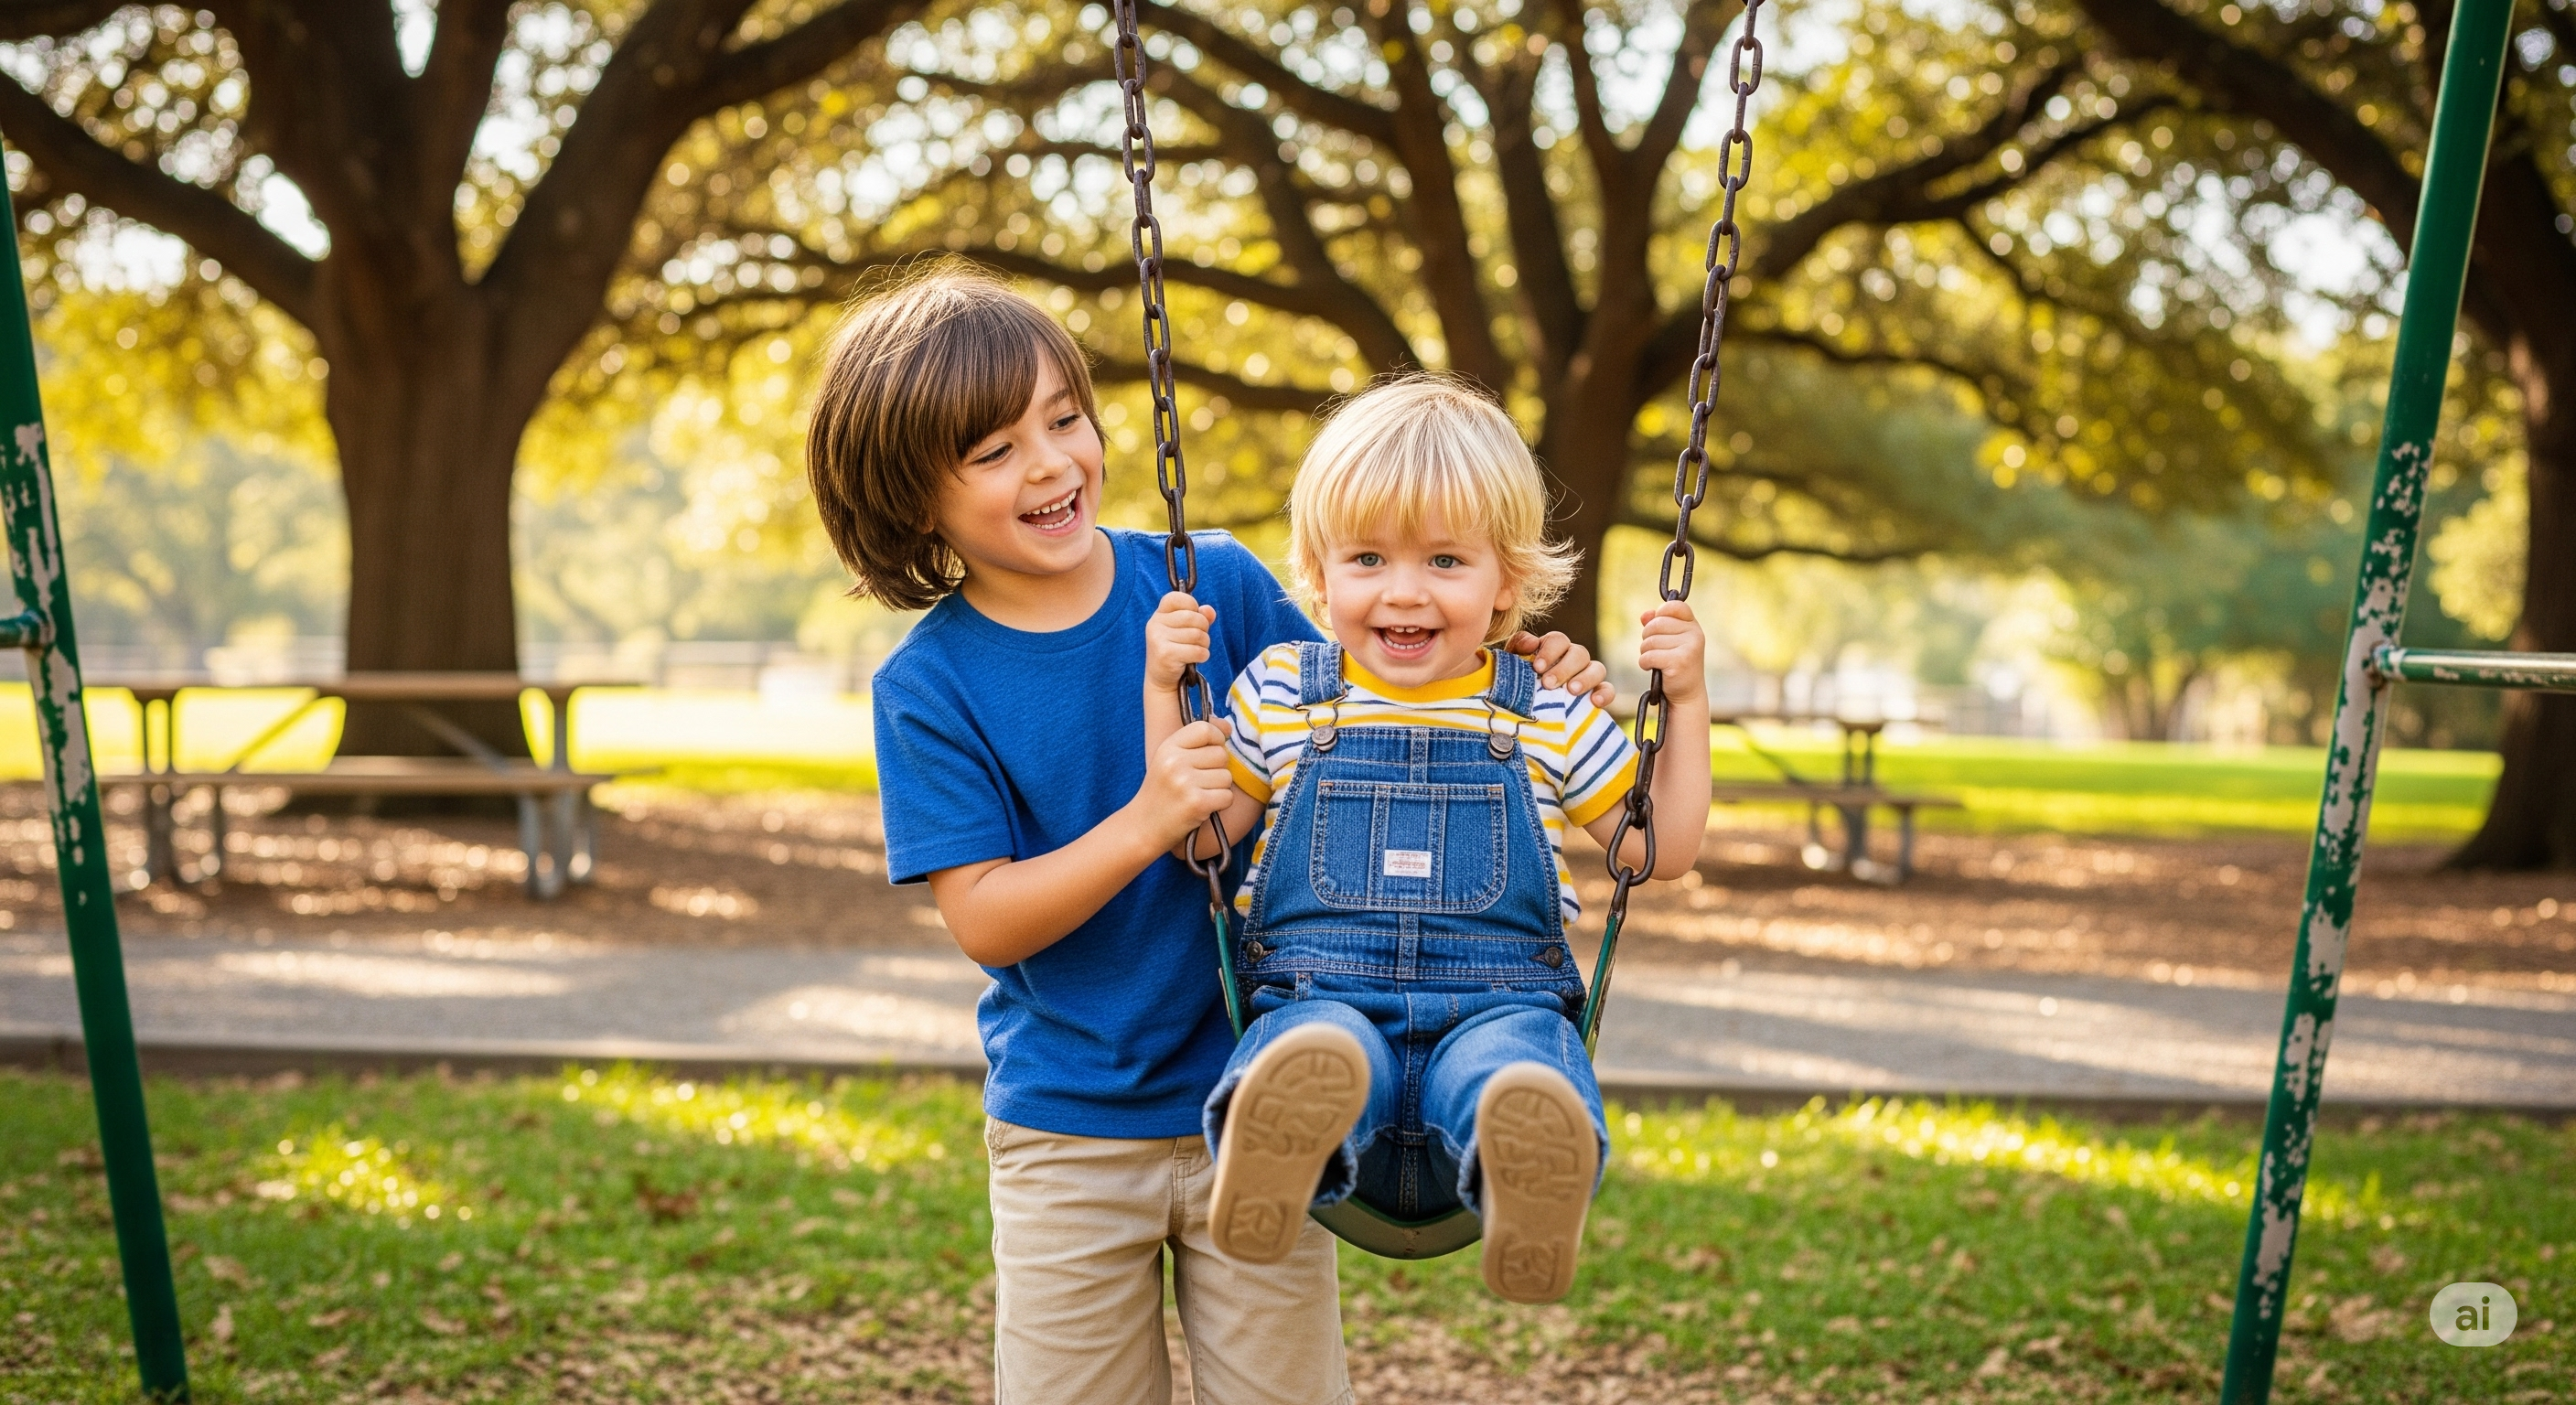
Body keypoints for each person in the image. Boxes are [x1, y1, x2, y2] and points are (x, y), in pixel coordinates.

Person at [806, 265, 1613, 1403]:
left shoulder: (1212, 581)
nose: (1049, 464)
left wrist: (1520, 669)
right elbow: (986, 920)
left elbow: (1382, 688)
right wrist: (1145, 821)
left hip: (1281, 1097)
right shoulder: (930, 684)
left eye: (1064, 418)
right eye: (992, 453)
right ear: (907, 496)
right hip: (1070, 1128)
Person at [1143, 376, 1712, 1305]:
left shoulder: (1550, 709)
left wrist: (1683, 703)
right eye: (1367, 558)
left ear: (1507, 583)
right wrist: (1162, 689)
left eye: (1445, 561)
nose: (1403, 593)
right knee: (1318, 1053)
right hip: (1319, 997)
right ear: (1318, 576)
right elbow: (1196, 834)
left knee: (1508, 1074)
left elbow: (1657, 849)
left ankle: (1519, 1159)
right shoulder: (1284, 686)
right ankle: (1289, 1134)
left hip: (1498, 1009)